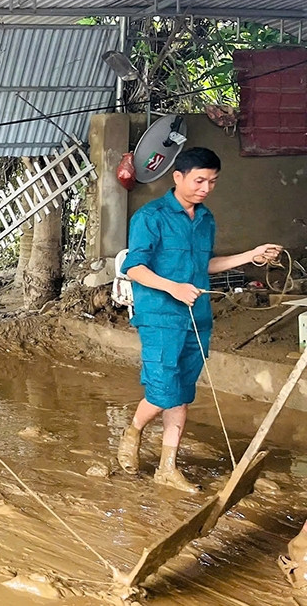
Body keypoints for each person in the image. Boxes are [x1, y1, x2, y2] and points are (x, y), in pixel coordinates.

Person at [117, 147, 282, 492]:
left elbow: (204, 266)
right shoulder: (151, 217)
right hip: (161, 316)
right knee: (164, 392)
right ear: (178, 178)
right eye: (199, 180)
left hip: (197, 317)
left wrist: (251, 255)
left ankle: (167, 466)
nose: (206, 188)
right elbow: (133, 268)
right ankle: (133, 431)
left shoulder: (205, 219)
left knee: (183, 393)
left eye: (212, 182)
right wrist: (173, 288)